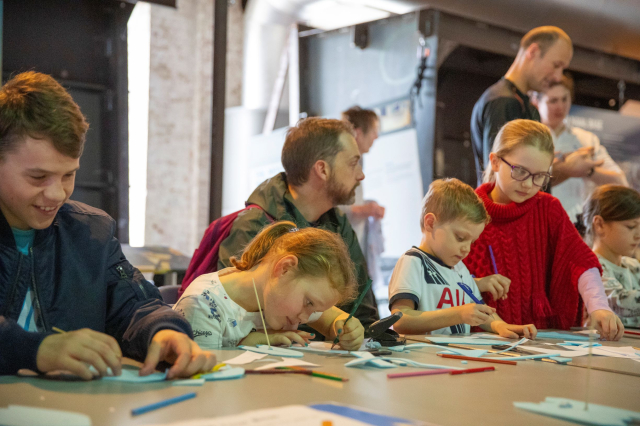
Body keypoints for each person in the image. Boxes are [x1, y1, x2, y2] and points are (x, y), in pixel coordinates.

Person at [0, 71, 216, 379]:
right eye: (38, 177)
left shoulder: (91, 232)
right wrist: (36, 350)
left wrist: (163, 331)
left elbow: (133, 307)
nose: (57, 193)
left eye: (68, 175)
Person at [464, 119, 624, 340]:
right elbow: (444, 277)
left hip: (542, 337)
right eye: (520, 171)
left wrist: (599, 306)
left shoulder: (548, 209)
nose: (528, 184)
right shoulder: (465, 212)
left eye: (540, 176)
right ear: (495, 162)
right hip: (482, 340)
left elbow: (581, 261)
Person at [212, 118, 379, 328]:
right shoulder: (254, 224)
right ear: (322, 170)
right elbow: (234, 316)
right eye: (353, 163)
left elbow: (363, 313)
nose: (361, 175)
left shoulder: (338, 223)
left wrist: (358, 336)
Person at [174, 221, 364, 350]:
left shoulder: (282, 295)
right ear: (285, 268)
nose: (305, 318)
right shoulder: (204, 304)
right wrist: (248, 342)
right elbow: (204, 377)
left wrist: (348, 330)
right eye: (309, 303)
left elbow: (335, 319)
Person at [388, 178, 536, 338]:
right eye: (460, 237)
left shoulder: (459, 268)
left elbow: (478, 308)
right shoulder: (413, 262)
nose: (467, 249)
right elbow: (400, 320)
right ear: (430, 223)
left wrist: (501, 326)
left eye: (471, 242)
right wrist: (458, 314)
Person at [471, 26, 573, 185]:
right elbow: (498, 180)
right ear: (533, 51)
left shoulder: (519, 103)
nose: (558, 77)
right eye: (556, 65)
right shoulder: (503, 101)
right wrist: (567, 169)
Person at [533, 75, 628, 221]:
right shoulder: (530, 137)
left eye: (565, 99)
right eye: (553, 100)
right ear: (536, 102)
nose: (560, 106)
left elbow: (620, 181)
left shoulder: (586, 139)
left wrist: (588, 170)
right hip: (537, 219)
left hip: (576, 223)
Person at [580, 185, 640, 328]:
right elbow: (619, 302)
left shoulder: (633, 265)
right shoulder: (591, 268)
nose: (638, 235)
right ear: (600, 224)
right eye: (631, 227)